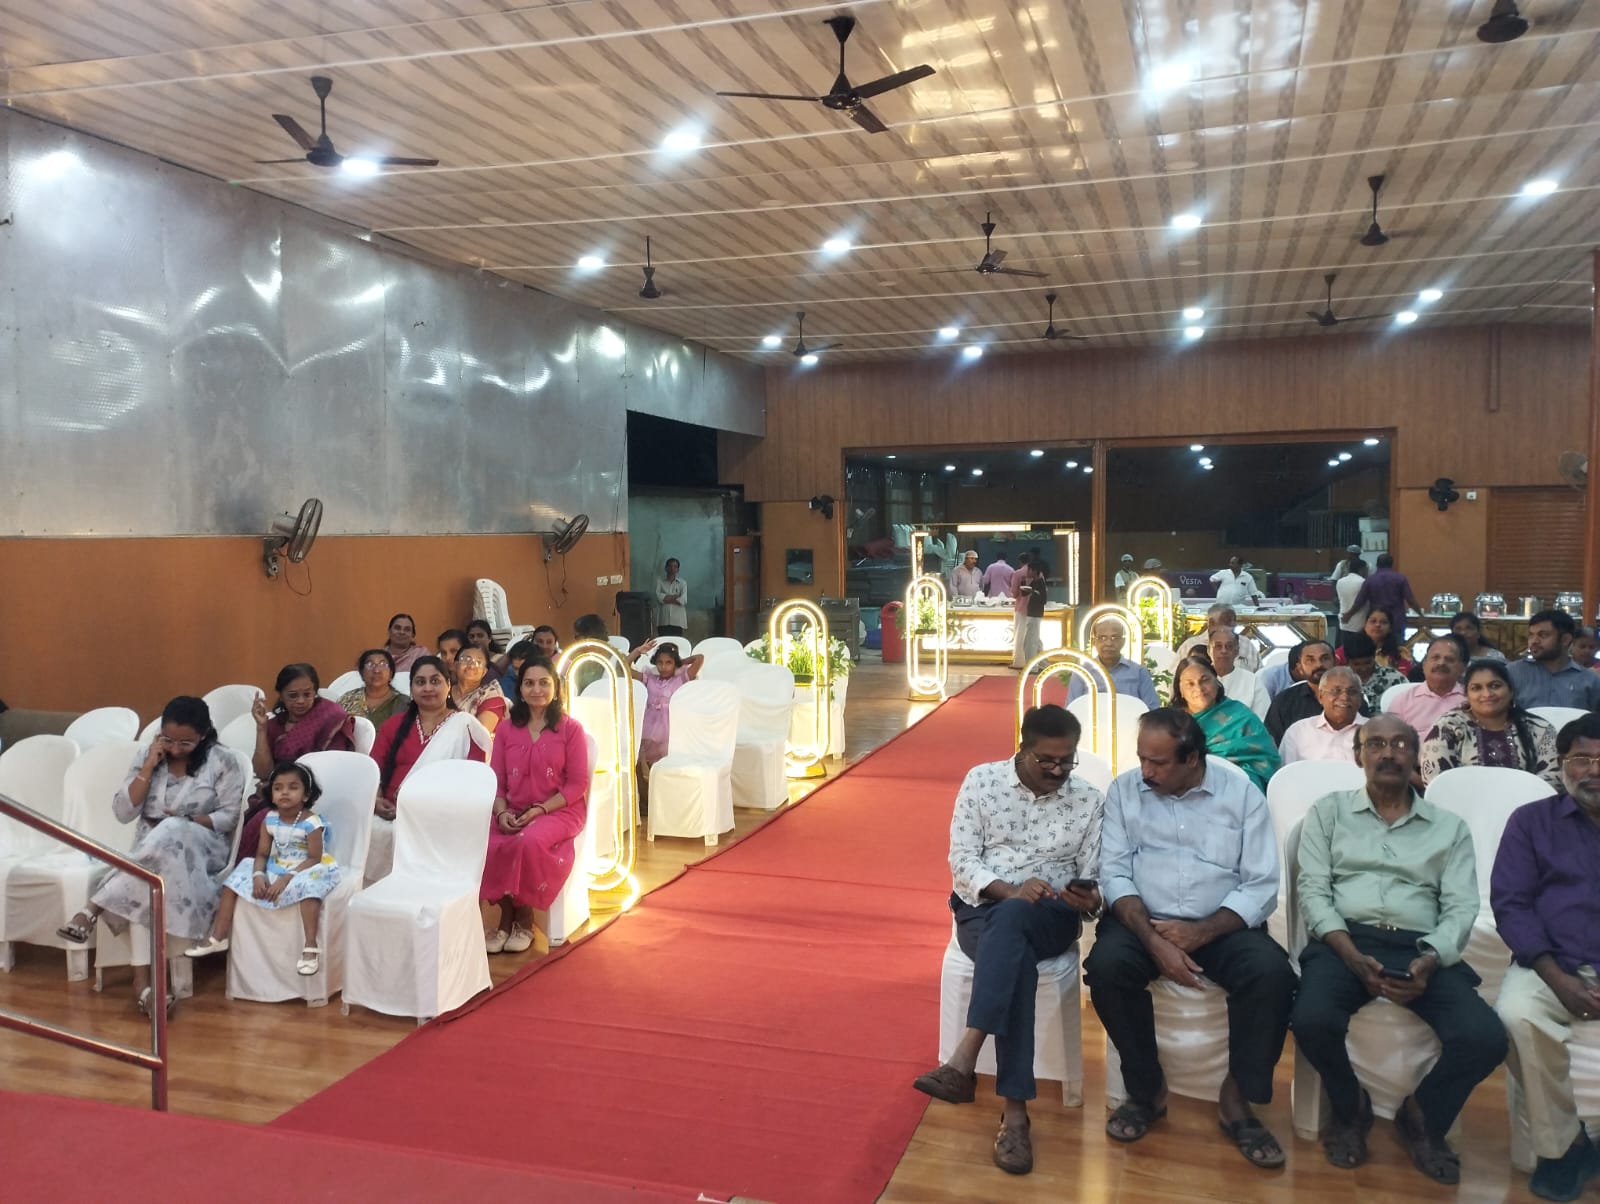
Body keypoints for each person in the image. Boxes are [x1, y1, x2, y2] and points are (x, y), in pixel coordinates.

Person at [1292, 715, 1505, 1183]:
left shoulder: (1448, 827)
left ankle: (1423, 1115)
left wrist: (1430, 959)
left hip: (1419, 947)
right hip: (1345, 942)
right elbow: (1314, 892)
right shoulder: (1328, 813)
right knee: (1309, 1019)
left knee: (1485, 1037)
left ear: (1415, 755)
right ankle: (1350, 1108)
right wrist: (1349, 954)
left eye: (1400, 745)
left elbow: (1461, 906)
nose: (1388, 754)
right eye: (1376, 745)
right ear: (1358, 755)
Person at [1088, 709, 1295, 1169]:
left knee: (1273, 976)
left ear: (1192, 759)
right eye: (1142, 758)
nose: (1146, 771)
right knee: (1106, 968)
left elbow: (1261, 884)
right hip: (1144, 922)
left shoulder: (1240, 793)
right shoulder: (1124, 790)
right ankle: (1146, 1090)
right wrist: (1155, 941)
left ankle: (1238, 1097)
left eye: (1158, 762)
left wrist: (1201, 931)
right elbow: (1114, 873)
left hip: (1220, 925)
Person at [911, 705, 1104, 1176]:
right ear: (1023, 749)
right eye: (1047, 760)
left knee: (1016, 922)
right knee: (1013, 935)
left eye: (1067, 761)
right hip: (982, 908)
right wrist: (1010, 892)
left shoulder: (1089, 799)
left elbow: (1096, 875)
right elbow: (962, 860)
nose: (1058, 770)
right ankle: (1014, 1114)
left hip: (1052, 915)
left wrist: (1089, 897)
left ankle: (966, 1056)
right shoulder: (982, 781)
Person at [56, 697, 243, 1017]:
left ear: (203, 735)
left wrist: (185, 821)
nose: (176, 749)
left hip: (201, 846)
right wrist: (148, 767)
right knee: (145, 883)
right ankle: (146, 990)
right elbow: (123, 812)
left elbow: (229, 816)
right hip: (150, 851)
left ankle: (92, 908)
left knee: (166, 836)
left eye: (186, 743)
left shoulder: (223, 760)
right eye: (168, 740)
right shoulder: (149, 755)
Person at [1492, 712, 1600, 1201]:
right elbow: (1511, 904)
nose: (1593, 771)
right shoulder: (1531, 822)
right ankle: (1565, 1147)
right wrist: (1558, 979)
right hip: (1551, 962)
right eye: (1581, 759)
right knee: (1514, 1015)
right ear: (1561, 765)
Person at [186, 761, 342, 977]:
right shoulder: (269, 819)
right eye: (278, 788)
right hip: (279, 863)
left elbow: (314, 857)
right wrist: (258, 875)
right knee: (234, 878)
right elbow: (261, 854)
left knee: (310, 890)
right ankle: (218, 937)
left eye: (293, 787)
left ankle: (310, 947)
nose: (284, 792)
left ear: (306, 795)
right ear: (271, 794)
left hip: (306, 866)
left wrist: (286, 878)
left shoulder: (311, 822)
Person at [482, 657, 590, 955]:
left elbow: (577, 784)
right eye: (529, 683)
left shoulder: (570, 729)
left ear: (556, 687)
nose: (536, 689)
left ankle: (523, 919)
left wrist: (540, 810)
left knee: (527, 841)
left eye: (544, 683)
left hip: (559, 810)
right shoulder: (506, 729)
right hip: (512, 807)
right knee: (486, 842)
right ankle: (506, 916)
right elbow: (497, 779)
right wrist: (502, 812)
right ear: (520, 688)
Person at [240, 664, 354, 865]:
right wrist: (261, 728)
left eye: (307, 694)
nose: (301, 701)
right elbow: (264, 772)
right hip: (277, 793)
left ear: (315, 692)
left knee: (265, 818)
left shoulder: (330, 717)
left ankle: (256, 869)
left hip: (315, 794)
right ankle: (251, 872)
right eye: (293, 695)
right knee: (253, 817)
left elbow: (334, 768)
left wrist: (292, 789)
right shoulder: (276, 724)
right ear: (281, 695)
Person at [1420, 659, 1561, 790]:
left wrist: (1514, 798)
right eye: (1476, 688)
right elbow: (1435, 778)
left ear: (1511, 690)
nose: (1487, 694)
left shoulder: (1539, 729)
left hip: (1529, 805)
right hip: (1462, 805)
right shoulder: (1448, 727)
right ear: (1467, 695)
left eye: (1495, 686)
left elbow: (1554, 776)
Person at [369, 656, 477, 825]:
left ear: (448, 685)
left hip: (445, 816)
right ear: (411, 690)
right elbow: (373, 770)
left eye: (435, 681)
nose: (428, 688)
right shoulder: (393, 725)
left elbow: (474, 781)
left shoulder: (465, 726)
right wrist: (376, 799)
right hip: (392, 813)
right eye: (420, 682)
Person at [1168, 656, 1280, 791]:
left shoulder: (1239, 714)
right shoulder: (1171, 722)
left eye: (1205, 680)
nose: (1199, 688)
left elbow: (1266, 757)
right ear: (1180, 690)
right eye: (1190, 684)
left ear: (1216, 681)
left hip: (1237, 789)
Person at [632, 638, 705, 813]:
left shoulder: (681, 679)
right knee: (642, 763)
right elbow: (623, 668)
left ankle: (667, 802)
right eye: (660, 662)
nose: (664, 667)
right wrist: (637, 651)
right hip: (649, 724)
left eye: (668, 663)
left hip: (670, 727)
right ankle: (647, 802)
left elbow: (699, 658)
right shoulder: (649, 679)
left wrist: (681, 662)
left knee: (665, 766)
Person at [1507, 609, 1600, 711]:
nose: (1534, 641)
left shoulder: (1589, 680)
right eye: (1531, 635)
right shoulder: (1514, 672)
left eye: (1543, 635)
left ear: (1565, 640)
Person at [1265, 640, 1350, 744]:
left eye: (1325, 658)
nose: (1319, 665)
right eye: (1310, 660)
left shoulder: (1351, 697)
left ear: (1336, 662)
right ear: (1300, 668)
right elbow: (1271, 743)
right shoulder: (1284, 701)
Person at [1279, 666, 1368, 764]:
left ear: (1360, 698)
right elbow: (1286, 771)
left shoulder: (1374, 732)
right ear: (1321, 696)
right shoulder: (1298, 732)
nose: (1344, 697)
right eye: (1336, 691)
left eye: (1352, 692)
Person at [1066, 618, 1161, 709]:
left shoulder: (1139, 672)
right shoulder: (1082, 673)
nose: (1109, 643)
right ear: (1094, 642)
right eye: (1102, 638)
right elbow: (1071, 710)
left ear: (1123, 641)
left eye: (1114, 638)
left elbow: (1152, 710)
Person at [1387, 635, 1469, 739]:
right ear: (1424, 664)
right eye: (1435, 657)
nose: (1441, 663)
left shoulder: (1471, 700)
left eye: (1449, 659)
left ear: (1462, 668)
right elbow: (1391, 739)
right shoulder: (1403, 700)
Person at [1342, 553, 1422, 641]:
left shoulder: (1370, 580)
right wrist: (1420, 614)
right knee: (1396, 646)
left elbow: (1360, 601)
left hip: (1377, 621)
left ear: (1377, 565)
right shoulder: (1400, 578)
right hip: (1396, 620)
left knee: (1376, 646)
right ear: (1392, 564)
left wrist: (1349, 615)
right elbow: (1410, 600)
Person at [1177, 604, 1261, 672]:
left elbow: (1259, 676)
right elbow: (1174, 680)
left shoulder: (1246, 644)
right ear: (1211, 624)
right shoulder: (1189, 645)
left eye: (1233, 621)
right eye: (1226, 622)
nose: (1232, 626)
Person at [1208, 628, 1269, 718]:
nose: (1223, 651)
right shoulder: (1199, 679)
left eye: (1229, 646)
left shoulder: (1252, 682)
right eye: (1218, 646)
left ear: (1236, 651)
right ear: (1209, 650)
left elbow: (1262, 719)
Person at [1342, 631, 1408, 715]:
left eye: (1368, 663)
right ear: (1347, 662)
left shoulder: (1395, 679)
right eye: (1356, 664)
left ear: (1374, 657)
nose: (1363, 668)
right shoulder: (1340, 680)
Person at [340, 648, 409, 727]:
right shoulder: (347, 700)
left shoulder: (404, 703)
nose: (376, 670)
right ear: (362, 673)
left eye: (383, 664)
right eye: (370, 664)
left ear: (391, 674)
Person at [451, 645, 508, 738]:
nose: (472, 665)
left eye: (478, 662)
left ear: (484, 672)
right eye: (466, 659)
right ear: (455, 665)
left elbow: (480, 736)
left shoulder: (489, 695)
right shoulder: (443, 692)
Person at [1337, 608, 1412, 676]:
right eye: (1373, 621)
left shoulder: (1400, 654)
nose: (1378, 625)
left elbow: (1402, 680)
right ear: (1365, 625)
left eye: (1384, 622)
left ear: (1390, 628)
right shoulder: (1348, 648)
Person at [1010, 561, 1047, 671]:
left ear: (1034, 571)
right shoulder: (1034, 581)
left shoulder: (1040, 582)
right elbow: (1024, 593)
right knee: (1033, 641)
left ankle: (1033, 667)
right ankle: (1043, 664)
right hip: (1031, 614)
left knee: (1030, 643)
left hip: (1035, 615)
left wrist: (1033, 592)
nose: (1027, 573)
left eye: (1029, 570)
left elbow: (1043, 599)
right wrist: (1024, 584)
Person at [1335, 556, 1369, 647]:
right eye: (1366, 569)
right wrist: (1349, 614)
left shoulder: (1340, 582)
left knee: (1345, 649)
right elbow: (1361, 601)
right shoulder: (1363, 582)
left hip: (1343, 622)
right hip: (1359, 622)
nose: (1367, 572)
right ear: (1361, 569)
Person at [656, 558, 688, 635]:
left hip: (678, 621)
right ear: (666, 568)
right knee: (663, 641)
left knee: (676, 642)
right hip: (663, 620)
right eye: (670, 566)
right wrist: (675, 597)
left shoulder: (682, 583)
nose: (672, 568)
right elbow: (658, 598)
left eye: (675, 566)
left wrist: (666, 598)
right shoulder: (660, 582)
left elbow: (683, 600)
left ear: (678, 570)